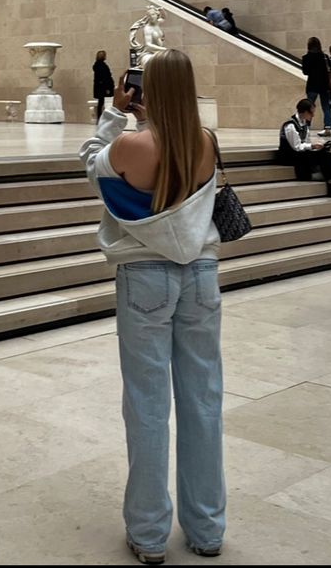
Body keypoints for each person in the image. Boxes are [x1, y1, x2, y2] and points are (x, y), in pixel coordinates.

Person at [80, 49, 224, 565]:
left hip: (145, 276)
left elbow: (90, 165)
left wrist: (116, 115)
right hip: (202, 276)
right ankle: (206, 528)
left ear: (147, 89)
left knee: (146, 404)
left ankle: (148, 534)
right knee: (203, 399)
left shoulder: (129, 146)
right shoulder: (206, 141)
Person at [278, 99, 331, 198]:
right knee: (324, 155)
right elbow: (296, 147)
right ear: (305, 112)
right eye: (312, 112)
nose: (313, 115)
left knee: (328, 154)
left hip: (300, 153)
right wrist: (312, 146)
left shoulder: (304, 123)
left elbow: (305, 142)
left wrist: (317, 146)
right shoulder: (290, 125)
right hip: (289, 156)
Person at [300, 36, 331, 136]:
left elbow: (305, 72)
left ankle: (307, 127)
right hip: (324, 85)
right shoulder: (325, 57)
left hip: (312, 85)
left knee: (309, 107)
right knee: (326, 107)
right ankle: (327, 128)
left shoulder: (306, 57)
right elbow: (330, 69)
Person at [92, 50, 114, 121]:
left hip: (99, 87)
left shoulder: (96, 65)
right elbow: (105, 77)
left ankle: (100, 117)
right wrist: (108, 88)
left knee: (100, 102)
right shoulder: (102, 66)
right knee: (102, 103)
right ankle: (101, 118)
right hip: (103, 87)